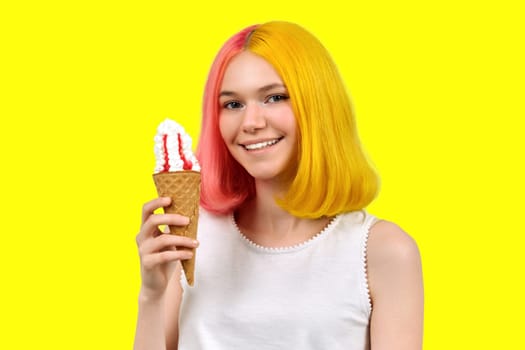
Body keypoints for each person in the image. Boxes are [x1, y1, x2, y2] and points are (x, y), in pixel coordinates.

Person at [134, 21, 423, 350]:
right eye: (233, 104)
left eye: (274, 97)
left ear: (318, 106)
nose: (252, 123)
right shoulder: (194, 237)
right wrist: (151, 295)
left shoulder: (382, 250)